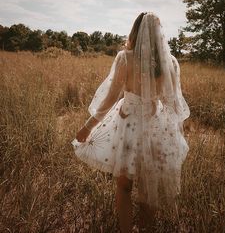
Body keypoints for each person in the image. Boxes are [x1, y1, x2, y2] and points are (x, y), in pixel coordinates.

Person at [72, 12, 190, 233]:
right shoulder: (170, 62)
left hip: (128, 126)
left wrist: (88, 126)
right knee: (148, 188)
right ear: (160, 34)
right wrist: (157, 110)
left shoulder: (125, 57)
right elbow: (173, 104)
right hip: (156, 128)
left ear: (135, 30)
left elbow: (111, 98)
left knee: (124, 186)